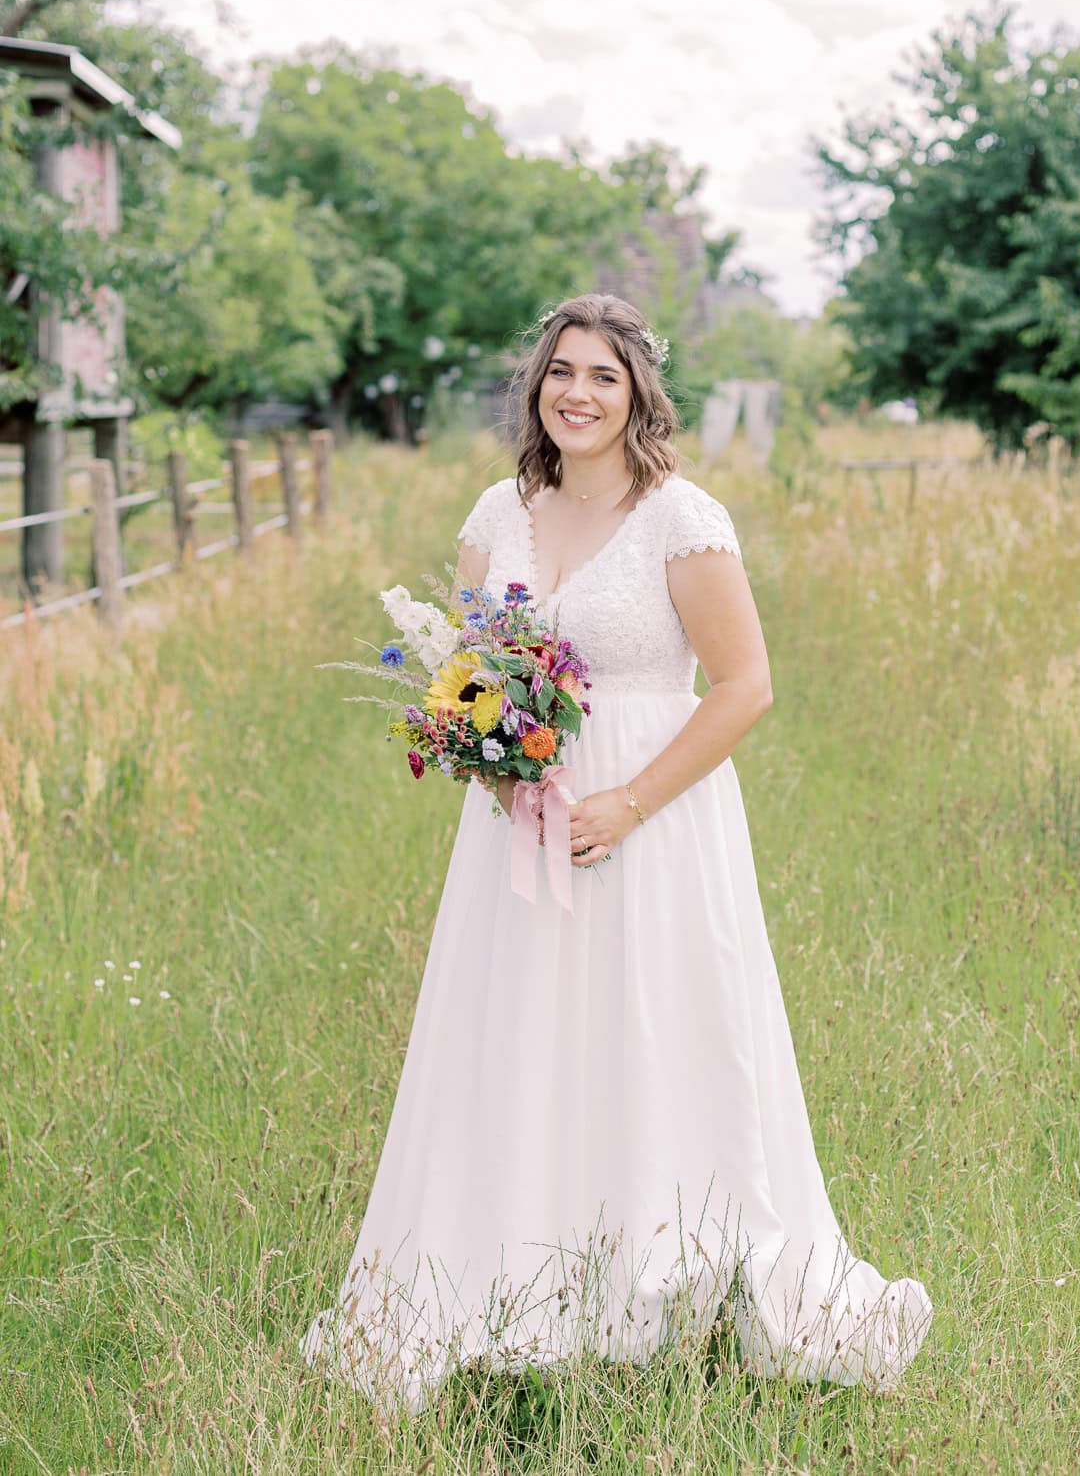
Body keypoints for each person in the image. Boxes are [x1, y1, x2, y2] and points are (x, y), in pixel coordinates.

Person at [299, 293, 933, 1413]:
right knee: (522, 1034)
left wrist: (629, 803)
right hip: (520, 827)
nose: (578, 393)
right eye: (561, 372)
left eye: (603, 374)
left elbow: (746, 687)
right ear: (536, 387)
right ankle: (515, 1279)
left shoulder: (681, 518)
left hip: (656, 819)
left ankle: (671, 1283)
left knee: (660, 1030)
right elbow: (472, 666)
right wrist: (487, 752)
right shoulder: (500, 511)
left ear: (638, 390)